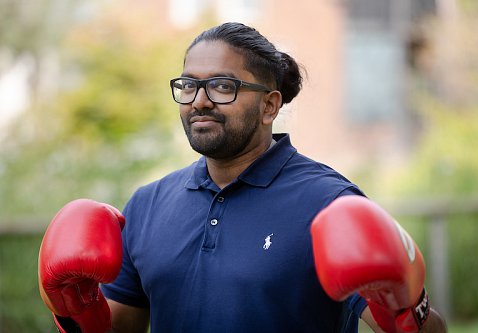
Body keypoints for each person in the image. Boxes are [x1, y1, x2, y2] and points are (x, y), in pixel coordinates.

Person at [38, 22, 447, 332]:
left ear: (269, 106)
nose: (200, 101)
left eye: (222, 86)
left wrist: (408, 306)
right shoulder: (148, 204)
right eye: (189, 86)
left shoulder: (329, 202)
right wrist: (74, 308)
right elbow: (119, 325)